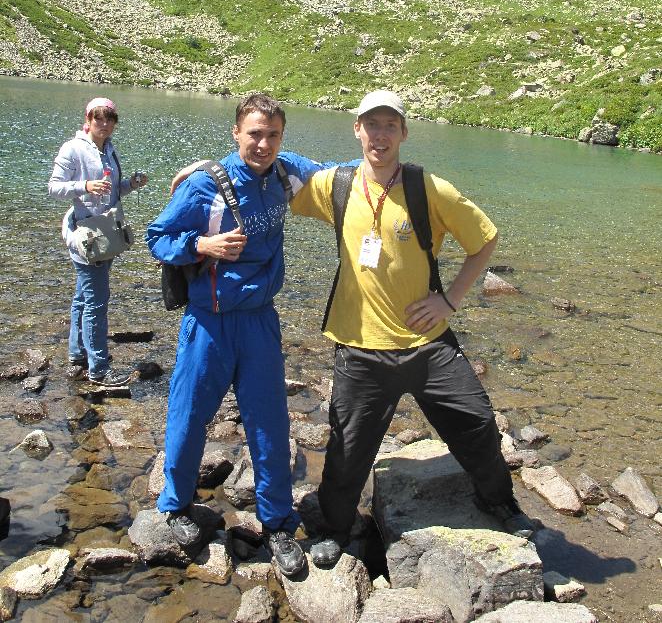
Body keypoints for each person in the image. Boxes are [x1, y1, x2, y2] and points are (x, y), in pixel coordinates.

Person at [290, 89, 535, 566]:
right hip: (359, 347)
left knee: (478, 422)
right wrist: (207, 172)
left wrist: (450, 299)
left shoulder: (428, 189)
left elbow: (484, 239)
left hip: (428, 344)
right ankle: (337, 527)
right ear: (357, 130)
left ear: (404, 132)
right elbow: (269, 173)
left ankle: (498, 501)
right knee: (347, 448)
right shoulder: (334, 185)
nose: (380, 135)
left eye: (390, 125)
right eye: (371, 124)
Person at [146, 93, 330, 576]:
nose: (263, 144)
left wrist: (389, 161)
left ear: (282, 137)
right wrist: (202, 244)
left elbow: (337, 174)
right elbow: (157, 236)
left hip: (260, 321)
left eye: (272, 135)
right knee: (189, 415)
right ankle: (175, 504)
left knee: (269, 423)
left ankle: (277, 524)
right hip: (208, 322)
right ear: (236, 133)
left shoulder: (286, 172)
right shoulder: (205, 184)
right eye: (254, 134)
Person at [48, 96, 148, 386]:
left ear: (115, 123)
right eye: (98, 118)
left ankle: (78, 353)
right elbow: (54, 187)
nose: (104, 124)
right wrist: (85, 186)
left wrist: (131, 184)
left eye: (109, 119)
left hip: (106, 235)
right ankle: (99, 370)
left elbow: (112, 193)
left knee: (84, 297)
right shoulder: (73, 148)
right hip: (86, 237)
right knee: (97, 303)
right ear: (88, 120)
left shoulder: (109, 150)